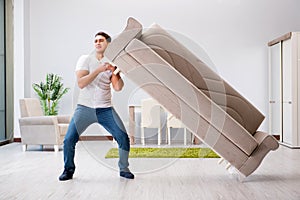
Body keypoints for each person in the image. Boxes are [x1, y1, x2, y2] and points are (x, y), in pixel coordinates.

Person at [59, 31, 134, 181]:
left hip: (105, 109)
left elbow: (118, 88)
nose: (98, 43)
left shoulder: (113, 63)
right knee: (69, 140)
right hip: (84, 108)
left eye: (101, 40)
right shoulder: (86, 59)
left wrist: (115, 73)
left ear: (108, 44)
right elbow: (81, 83)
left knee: (123, 137)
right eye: (96, 41)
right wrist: (99, 70)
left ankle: (124, 168)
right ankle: (68, 170)